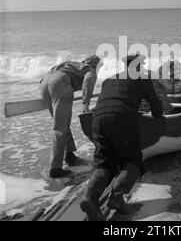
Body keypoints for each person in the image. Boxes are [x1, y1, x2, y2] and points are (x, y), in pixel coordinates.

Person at [80, 53, 163, 221]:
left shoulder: (109, 80)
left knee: (105, 163)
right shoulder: (143, 78)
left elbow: (110, 100)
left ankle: (90, 198)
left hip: (97, 119)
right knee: (132, 162)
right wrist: (158, 117)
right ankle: (117, 198)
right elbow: (156, 106)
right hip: (122, 118)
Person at [40, 55, 102, 178]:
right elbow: (89, 79)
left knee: (61, 123)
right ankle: (55, 169)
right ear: (96, 65)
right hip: (60, 83)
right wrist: (86, 102)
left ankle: (69, 155)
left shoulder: (72, 65)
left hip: (45, 82)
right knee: (60, 128)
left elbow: (53, 77)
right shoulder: (90, 69)